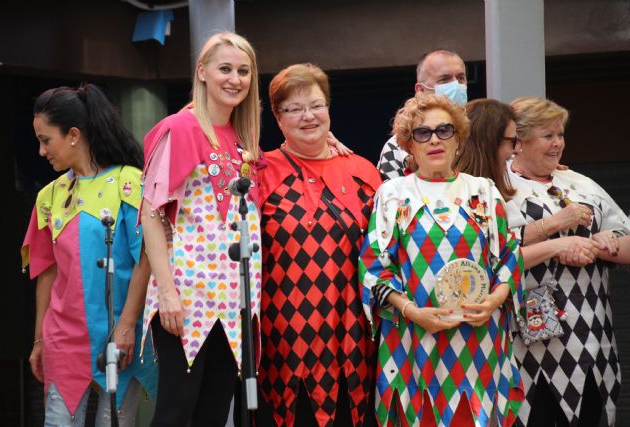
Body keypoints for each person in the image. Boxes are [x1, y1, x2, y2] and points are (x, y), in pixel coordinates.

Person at [360, 93, 524, 427]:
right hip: (413, 338)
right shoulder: (392, 194)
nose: (434, 139)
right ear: (409, 145)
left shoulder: (483, 190)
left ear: (459, 139)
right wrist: (411, 311)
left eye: (444, 130)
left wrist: (494, 300)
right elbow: (375, 266)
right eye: (422, 133)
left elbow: (509, 254)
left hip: (480, 339)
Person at [139, 32, 262, 426]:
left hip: (233, 302)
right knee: (177, 412)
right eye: (225, 68)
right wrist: (168, 293)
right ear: (202, 72)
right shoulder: (180, 127)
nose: (235, 79)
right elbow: (151, 214)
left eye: (243, 71)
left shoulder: (244, 138)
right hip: (187, 298)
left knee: (213, 413)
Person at [22, 84, 156, 426]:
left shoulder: (130, 184)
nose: (41, 151)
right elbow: (46, 273)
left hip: (120, 337)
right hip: (64, 341)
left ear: (73, 135)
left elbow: (146, 258)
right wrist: (40, 339)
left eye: (45, 139)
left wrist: (127, 326)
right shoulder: (47, 197)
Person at [257, 63, 382, 427]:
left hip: (358, 338)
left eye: (316, 105)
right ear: (278, 118)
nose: (307, 116)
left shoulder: (363, 171)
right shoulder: (260, 171)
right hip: (283, 338)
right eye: (294, 109)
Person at [505, 97, 630, 427]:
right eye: (548, 136)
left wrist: (600, 246)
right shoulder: (496, 188)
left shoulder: (580, 183)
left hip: (590, 338)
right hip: (526, 343)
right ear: (518, 141)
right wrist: (557, 236)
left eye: (560, 135)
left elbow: (625, 242)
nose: (558, 143)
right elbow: (494, 254)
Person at [457, 98, 601, 269]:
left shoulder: (492, 187)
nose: (517, 150)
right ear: (490, 141)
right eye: (512, 141)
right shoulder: (459, 188)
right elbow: (497, 261)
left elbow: (512, 242)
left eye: (560, 135)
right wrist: (559, 244)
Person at [377, 49, 467, 181]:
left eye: (460, 78)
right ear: (421, 90)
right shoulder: (396, 147)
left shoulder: (483, 131)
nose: (456, 85)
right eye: (444, 79)